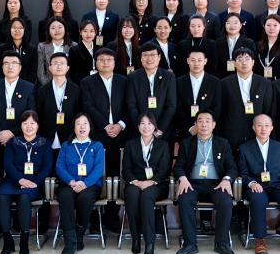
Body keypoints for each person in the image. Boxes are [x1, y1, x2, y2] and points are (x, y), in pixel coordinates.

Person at [174, 110, 237, 254]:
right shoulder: (186, 143)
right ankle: (190, 244)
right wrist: (183, 178)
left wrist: (226, 179)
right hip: (192, 183)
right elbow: (178, 166)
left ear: (214, 125)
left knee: (226, 201)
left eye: (207, 121)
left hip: (217, 184)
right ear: (195, 124)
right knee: (184, 200)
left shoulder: (223, 143)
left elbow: (232, 167)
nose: (204, 124)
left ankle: (221, 244)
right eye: (200, 121)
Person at [238, 114, 280, 254]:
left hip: (278, 185)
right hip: (256, 186)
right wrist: (252, 183)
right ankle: (260, 240)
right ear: (254, 128)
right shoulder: (244, 148)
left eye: (266, 125)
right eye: (259, 125)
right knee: (258, 199)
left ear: (272, 128)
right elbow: (243, 173)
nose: (263, 129)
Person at [0, 111, 51, 254]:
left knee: (24, 198)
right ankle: (8, 241)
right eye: (25, 123)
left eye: (32, 123)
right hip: (13, 180)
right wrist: (20, 180)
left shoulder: (45, 143)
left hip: (34, 183)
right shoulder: (13, 142)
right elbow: (8, 165)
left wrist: (34, 183)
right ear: (20, 125)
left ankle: (24, 241)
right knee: (1, 197)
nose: (29, 126)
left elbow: (47, 167)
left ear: (38, 125)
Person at [121, 113, 171, 254]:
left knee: (147, 196)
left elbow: (164, 169)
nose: (146, 127)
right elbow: (126, 169)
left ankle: (150, 242)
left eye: (149, 123)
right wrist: (136, 182)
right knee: (132, 194)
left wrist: (150, 182)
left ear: (154, 127)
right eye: (142, 123)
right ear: (138, 127)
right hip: (135, 183)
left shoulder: (163, 145)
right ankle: (136, 238)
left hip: (156, 184)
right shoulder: (131, 144)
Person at [56, 114, 106, 254]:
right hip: (69, 184)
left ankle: (78, 234)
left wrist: (85, 183)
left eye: (85, 123)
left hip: (90, 185)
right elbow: (59, 166)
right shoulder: (66, 145)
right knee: (65, 196)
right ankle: (69, 242)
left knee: (85, 198)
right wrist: (72, 181)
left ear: (90, 127)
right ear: (74, 127)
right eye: (78, 123)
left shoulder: (97, 146)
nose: (82, 127)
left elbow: (99, 169)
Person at [0, 51, 36, 175]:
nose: (10, 66)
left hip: (20, 137)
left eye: (14, 63)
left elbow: (31, 114)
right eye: (6, 63)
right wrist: (1, 133)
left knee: (18, 173)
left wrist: (12, 132)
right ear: (2, 67)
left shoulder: (29, 87)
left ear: (20, 67)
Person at [81, 48, 129, 176]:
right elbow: (88, 106)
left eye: (109, 59)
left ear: (114, 62)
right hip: (99, 131)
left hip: (122, 131)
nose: (105, 62)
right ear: (95, 62)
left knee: (121, 166)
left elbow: (129, 105)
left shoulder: (124, 81)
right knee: (100, 167)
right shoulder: (87, 82)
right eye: (101, 60)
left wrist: (120, 125)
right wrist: (105, 125)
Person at [220, 47, 274, 150]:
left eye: (247, 59)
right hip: (232, 133)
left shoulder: (265, 83)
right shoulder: (224, 84)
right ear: (234, 63)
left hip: (257, 133)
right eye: (239, 59)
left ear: (253, 62)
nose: (244, 63)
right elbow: (222, 111)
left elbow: (267, 109)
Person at [125, 43, 177, 143]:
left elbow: (171, 106)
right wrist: (142, 127)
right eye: (145, 55)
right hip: (139, 132)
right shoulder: (133, 77)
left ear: (159, 57)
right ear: (141, 58)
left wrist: (160, 128)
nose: (149, 58)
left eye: (153, 55)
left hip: (163, 131)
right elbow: (131, 105)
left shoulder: (169, 77)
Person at [36, 52, 82, 154]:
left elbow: (79, 113)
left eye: (62, 63)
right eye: (55, 63)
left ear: (67, 68)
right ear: (50, 68)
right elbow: (39, 115)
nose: (59, 66)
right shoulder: (42, 91)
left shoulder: (76, 90)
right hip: (46, 138)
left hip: (69, 138)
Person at [174, 47, 222, 141]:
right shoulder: (178, 82)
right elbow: (178, 107)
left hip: (208, 131)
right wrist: (191, 127)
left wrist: (204, 125)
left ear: (205, 61)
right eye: (193, 60)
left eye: (199, 60)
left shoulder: (215, 82)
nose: (196, 64)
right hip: (186, 131)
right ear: (188, 61)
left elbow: (217, 107)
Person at [37, 16, 77, 85]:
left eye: (60, 27)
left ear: (65, 29)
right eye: (53, 28)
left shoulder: (73, 46)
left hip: (69, 85)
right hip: (48, 85)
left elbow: (75, 70)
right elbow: (40, 72)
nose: (57, 30)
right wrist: (48, 86)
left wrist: (68, 86)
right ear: (49, 31)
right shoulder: (42, 47)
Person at [0, 16, 38, 83]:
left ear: (24, 30)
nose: (17, 30)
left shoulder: (32, 50)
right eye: (14, 28)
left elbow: (33, 72)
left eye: (20, 28)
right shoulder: (1, 49)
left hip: (26, 85)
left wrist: (25, 85)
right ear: (9, 30)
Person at [255, 14, 280, 80]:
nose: (271, 28)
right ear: (264, 26)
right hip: (260, 81)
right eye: (268, 25)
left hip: (279, 81)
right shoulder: (257, 45)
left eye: (275, 25)